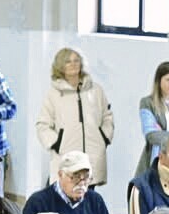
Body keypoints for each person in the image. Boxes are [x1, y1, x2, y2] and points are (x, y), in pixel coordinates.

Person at [33, 48, 113, 184]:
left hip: (93, 155)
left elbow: (107, 116)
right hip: (66, 155)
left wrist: (104, 137)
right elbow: (43, 125)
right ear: (60, 66)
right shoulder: (54, 94)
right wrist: (57, 143)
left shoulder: (96, 90)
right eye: (68, 62)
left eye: (76, 60)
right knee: (63, 197)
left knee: (88, 196)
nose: (73, 64)